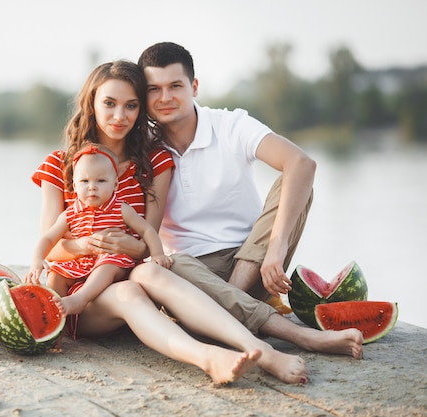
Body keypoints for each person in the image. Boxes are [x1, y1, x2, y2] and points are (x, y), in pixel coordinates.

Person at [32, 59, 362, 387]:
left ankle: (257, 349)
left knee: (144, 275)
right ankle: (212, 355)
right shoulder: (59, 164)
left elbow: (148, 241)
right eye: (109, 103)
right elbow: (53, 248)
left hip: (122, 278)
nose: (120, 116)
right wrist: (86, 245)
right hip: (75, 294)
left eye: (131, 105)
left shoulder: (154, 162)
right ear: (90, 103)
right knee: (136, 285)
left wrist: (126, 246)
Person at [137, 41, 314, 308]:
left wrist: (277, 248)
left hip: (253, 259)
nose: (165, 98)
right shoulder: (142, 145)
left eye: (175, 86)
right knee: (165, 266)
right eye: (154, 89)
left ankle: (230, 303)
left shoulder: (231, 125)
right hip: (188, 270)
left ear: (194, 87)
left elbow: (302, 163)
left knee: (297, 184)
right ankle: (237, 308)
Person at [26, 143, 173, 317]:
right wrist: (37, 259)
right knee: (55, 275)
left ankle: (79, 300)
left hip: (114, 262)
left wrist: (157, 254)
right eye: (84, 181)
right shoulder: (70, 213)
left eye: (101, 181)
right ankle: (56, 320)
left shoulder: (121, 208)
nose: (92, 187)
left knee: (107, 262)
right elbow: (48, 238)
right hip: (82, 263)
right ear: (74, 184)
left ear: (115, 184)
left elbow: (147, 230)